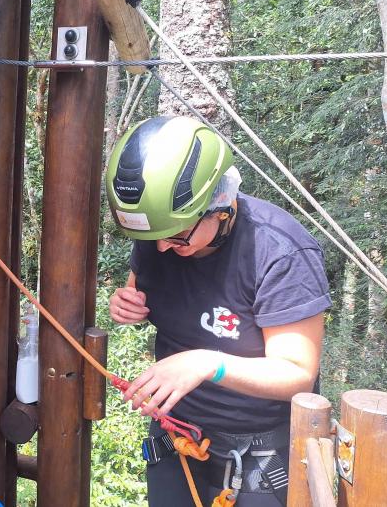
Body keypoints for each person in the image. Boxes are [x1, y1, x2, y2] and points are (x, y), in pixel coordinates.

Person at [105, 116, 331, 507]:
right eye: (151, 238)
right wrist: (127, 305)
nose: (161, 249)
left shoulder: (279, 252)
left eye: (176, 236)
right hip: (177, 439)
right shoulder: (163, 235)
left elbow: (296, 375)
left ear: (220, 207)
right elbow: (138, 288)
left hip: (260, 457)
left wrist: (208, 363)